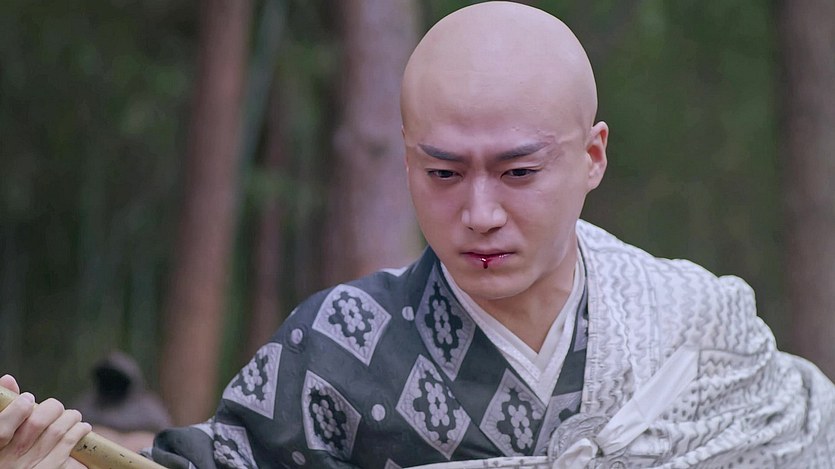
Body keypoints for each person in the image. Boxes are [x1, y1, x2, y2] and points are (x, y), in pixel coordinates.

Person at [2, 2, 834, 467]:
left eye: (517, 171)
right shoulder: (338, 350)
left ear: (592, 155)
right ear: (405, 159)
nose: (478, 212)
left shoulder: (693, 326)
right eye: (442, 172)